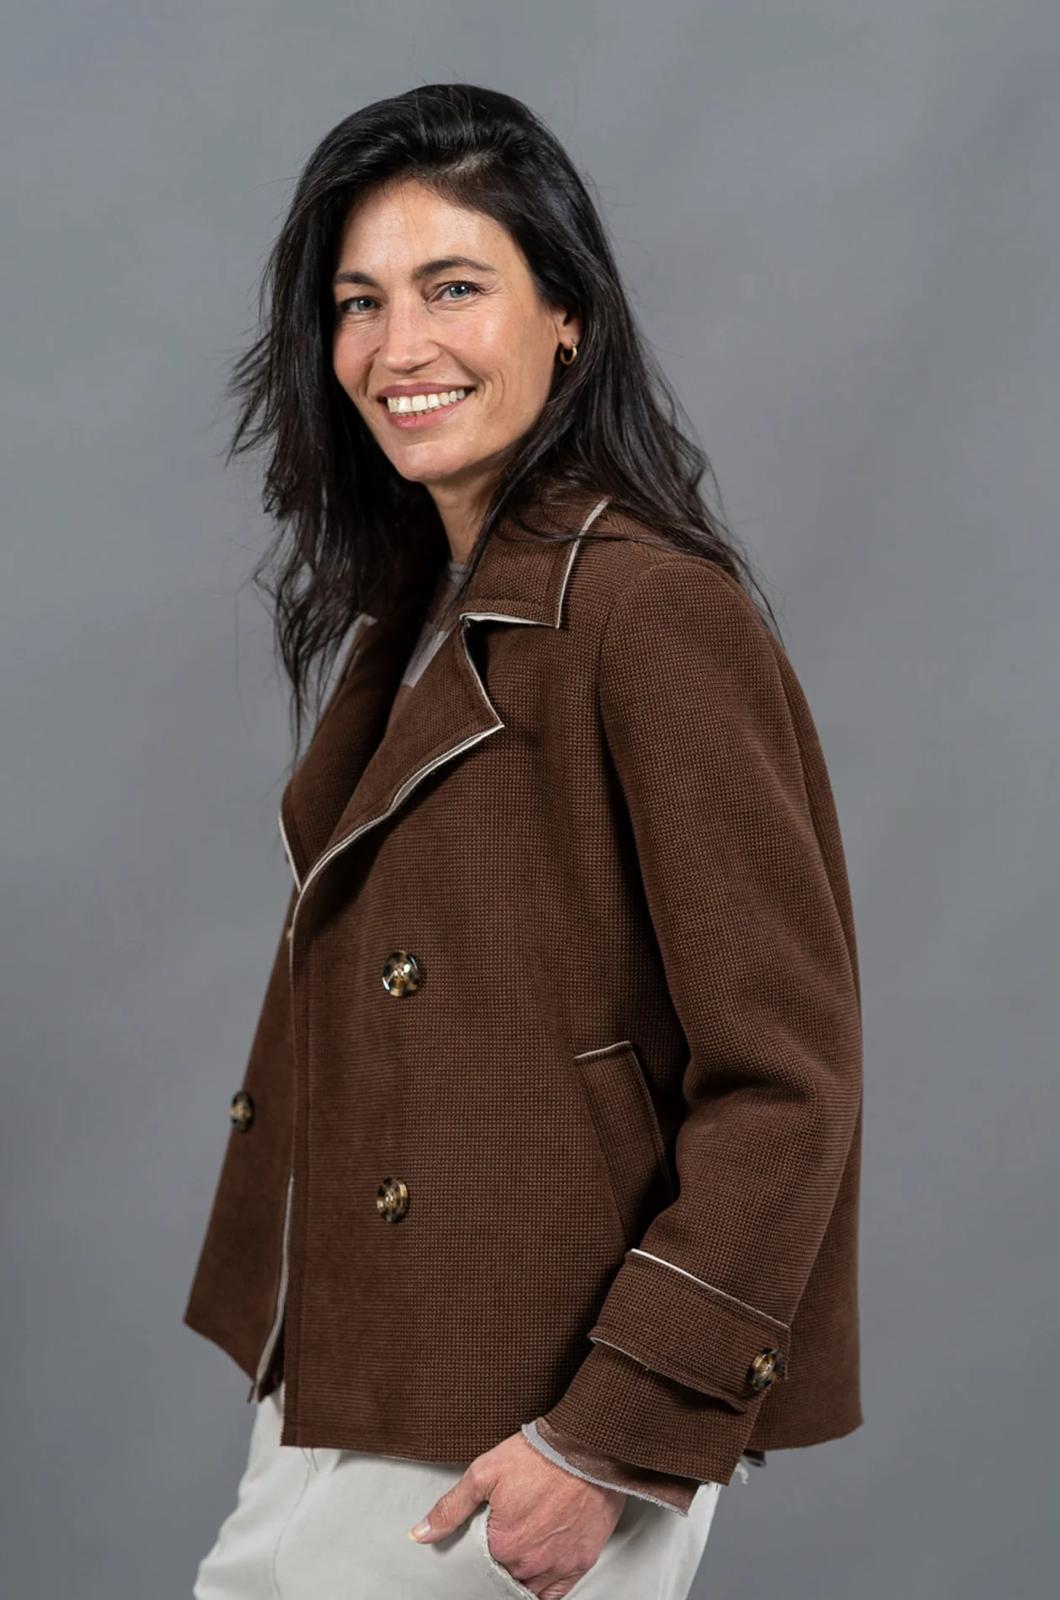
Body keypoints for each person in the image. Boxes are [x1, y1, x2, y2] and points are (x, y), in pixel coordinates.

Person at [185, 82, 864, 1600]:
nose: (397, 347)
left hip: (527, 1413)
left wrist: (607, 1437)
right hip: (354, 1378)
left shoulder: (651, 613)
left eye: (453, 288)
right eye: (360, 301)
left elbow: (787, 1080)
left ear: (569, 319)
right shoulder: (421, 609)